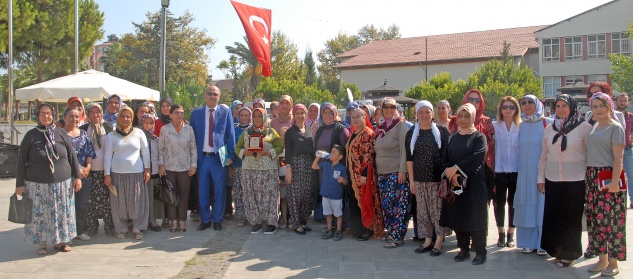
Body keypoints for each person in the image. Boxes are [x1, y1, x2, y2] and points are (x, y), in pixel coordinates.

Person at [16, 103, 81, 255]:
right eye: (43, 113)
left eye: (49, 113)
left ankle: (61, 242)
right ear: (37, 116)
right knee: (40, 216)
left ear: (53, 115)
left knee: (61, 214)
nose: (46, 116)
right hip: (37, 185)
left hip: (62, 184)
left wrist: (77, 176)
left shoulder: (60, 133)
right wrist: (19, 184)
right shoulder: (31, 135)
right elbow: (21, 161)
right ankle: (42, 244)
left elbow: (72, 156)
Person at [537, 94, 592, 265]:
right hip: (553, 179)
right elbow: (544, 156)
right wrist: (540, 178)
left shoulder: (584, 127)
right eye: (558, 106)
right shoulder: (550, 128)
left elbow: (590, 154)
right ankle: (557, 250)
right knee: (555, 217)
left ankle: (570, 254)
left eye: (564, 106)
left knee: (571, 219)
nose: (561, 109)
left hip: (575, 180)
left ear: (572, 107)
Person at [439, 103, 488, 265]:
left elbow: (477, 157)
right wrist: (451, 174)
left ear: (473, 117)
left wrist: (456, 169)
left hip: (474, 183)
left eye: (467, 116)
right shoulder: (452, 137)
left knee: (476, 216)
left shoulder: (478, 137)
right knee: (459, 215)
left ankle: (480, 251)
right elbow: (444, 159)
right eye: (460, 116)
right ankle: (463, 249)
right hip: (456, 184)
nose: (463, 119)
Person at [584, 92, 626, 276]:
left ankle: (613, 263)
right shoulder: (593, 127)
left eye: (602, 105)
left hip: (608, 176)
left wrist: (615, 182)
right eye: (594, 106)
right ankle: (601, 260)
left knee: (612, 221)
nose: (598, 109)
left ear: (609, 106)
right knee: (595, 220)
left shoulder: (615, 128)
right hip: (592, 176)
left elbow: (619, 157)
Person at [406, 101, 451, 256]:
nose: (424, 115)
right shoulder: (412, 133)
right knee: (423, 212)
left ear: (432, 114)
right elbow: (409, 159)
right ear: (416, 115)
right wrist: (411, 181)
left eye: (427, 112)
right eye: (421, 112)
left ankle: (439, 241)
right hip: (419, 179)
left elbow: (448, 155)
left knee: (437, 211)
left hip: (437, 180)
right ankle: (427, 240)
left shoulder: (442, 132)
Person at [189, 85, 235, 231]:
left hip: (218, 159)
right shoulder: (195, 114)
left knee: (220, 190)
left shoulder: (226, 112)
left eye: (215, 94)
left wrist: (231, 155)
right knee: (203, 191)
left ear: (219, 97)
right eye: (209, 93)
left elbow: (231, 135)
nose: (212, 96)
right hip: (202, 159)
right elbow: (191, 138)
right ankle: (205, 219)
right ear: (205, 95)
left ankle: (217, 219)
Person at [103, 106, 150, 240]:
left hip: (137, 173)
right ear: (119, 118)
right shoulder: (111, 135)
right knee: (119, 202)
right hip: (117, 174)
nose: (125, 119)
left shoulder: (139, 133)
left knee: (137, 201)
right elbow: (107, 156)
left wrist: (147, 169)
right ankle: (121, 228)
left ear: (132, 118)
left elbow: (145, 153)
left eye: (128, 116)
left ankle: (137, 227)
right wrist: (107, 174)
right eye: (122, 116)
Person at [235, 108, 284, 235]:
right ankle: (255, 222)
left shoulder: (271, 132)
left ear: (264, 117)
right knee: (252, 196)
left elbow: (279, 147)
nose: (257, 119)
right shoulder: (246, 132)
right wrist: (244, 152)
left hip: (268, 170)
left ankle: (270, 222)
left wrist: (268, 152)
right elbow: (237, 148)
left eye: (259, 116)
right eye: (255, 116)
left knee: (269, 196)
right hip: (250, 170)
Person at [515, 95, 553, 255]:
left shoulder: (548, 123)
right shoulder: (520, 126)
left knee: (542, 207)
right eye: (523, 103)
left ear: (537, 104)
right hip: (524, 174)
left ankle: (543, 242)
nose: (527, 105)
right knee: (526, 207)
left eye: (530, 102)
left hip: (541, 173)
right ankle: (528, 242)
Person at [448, 89, 495, 207]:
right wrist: (455, 170)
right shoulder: (455, 120)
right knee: (460, 203)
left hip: (481, 169)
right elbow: (452, 145)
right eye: (471, 99)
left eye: (477, 100)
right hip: (458, 170)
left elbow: (492, 145)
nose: (474, 102)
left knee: (479, 206)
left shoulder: (486, 121)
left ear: (481, 103)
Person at [374, 97, 410, 248]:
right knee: (387, 205)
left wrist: (403, 170)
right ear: (381, 109)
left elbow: (405, 151)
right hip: (382, 173)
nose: (389, 110)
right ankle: (392, 231)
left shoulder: (401, 125)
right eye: (386, 107)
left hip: (396, 172)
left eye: (392, 107)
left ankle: (398, 236)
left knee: (398, 205)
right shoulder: (380, 127)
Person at [345, 108, 383, 240]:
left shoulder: (368, 133)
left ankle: (367, 230)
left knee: (365, 201)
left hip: (363, 175)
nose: (355, 119)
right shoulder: (354, 132)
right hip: (352, 174)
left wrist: (364, 174)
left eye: (358, 117)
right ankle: (357, 229)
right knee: (355, 202)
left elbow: (368, 155)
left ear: (364, 118)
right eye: (353, 117)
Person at [159, 105, 197, 233]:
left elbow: (193, 148)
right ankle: (173, 221)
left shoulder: (189, 129)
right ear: (170, 115)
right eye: (176, 113)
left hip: (185, 168)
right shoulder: (165, 130)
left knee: (183, 196)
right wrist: (161, 165)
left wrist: (193, 165)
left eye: (182, 112)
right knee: (171, 196)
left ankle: (182, 221)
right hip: (169, 167)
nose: (180, 115)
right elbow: (161, 149)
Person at [81, 103, 115, 237]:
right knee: (90, 200)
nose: (95, 115)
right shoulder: (83, 129)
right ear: (88, 114)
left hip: (105, 170)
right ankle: (92, 225)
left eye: (98, 112)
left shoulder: (108, 127)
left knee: (107, 199)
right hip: (89, 170)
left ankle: (108, 224)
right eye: (92, 112)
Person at [492, 96, 521, 247]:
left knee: (513, 203)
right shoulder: (495, 126)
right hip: (500, 170)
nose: (508, 110)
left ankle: (511, 233)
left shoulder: (521, 127)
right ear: (501, 109)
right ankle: (501, 234)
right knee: (499, 202)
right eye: (505, 107)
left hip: (516, 170)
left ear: (516, 109)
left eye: (511, 107)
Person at [64, 107, 96, 241]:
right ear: (64, 118)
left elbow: (90, 152)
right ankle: (66, 233)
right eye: (71, 116)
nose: (74, 119)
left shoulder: (83, 133)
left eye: (77, 116)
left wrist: (88, 167)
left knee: (81, 205)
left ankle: (79, 230)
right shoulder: (59, 134)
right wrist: (76, 168)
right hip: (66, 174)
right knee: (66, 205)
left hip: (84, 174)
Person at [314, 103, 350, 222]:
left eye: (330, 112)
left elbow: (345, 152)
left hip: (336, 170)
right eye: (325, 112)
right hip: (323, 169)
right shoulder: (320, 129)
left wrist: (341, 170)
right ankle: (328, 222)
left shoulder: (342, 129)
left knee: (336, 195)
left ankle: (338, 224)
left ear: (335, 114)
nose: (328, 115)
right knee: (325, 194)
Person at [285, 104, 316, 235]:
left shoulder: (309, 130)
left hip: (308, 165)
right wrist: (288, 168)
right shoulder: (290, 132)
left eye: (302, 113)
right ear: (294, 115)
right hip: (295, 165)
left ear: (306, 114)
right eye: (297, 113)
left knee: (306, 196)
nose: (300, 116)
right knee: (295, 196)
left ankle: (303, 222)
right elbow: (288, 152)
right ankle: (296, 224)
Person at [312, 145, 349, 241]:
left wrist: (343, 180)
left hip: (336, 196)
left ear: (340, 157)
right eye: (331, 152)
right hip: (325, 194)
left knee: (338, 213)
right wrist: (319, 156)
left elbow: (346, 181)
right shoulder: (326, 164)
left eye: (334, 152)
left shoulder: (341, 168)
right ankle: (329, 229)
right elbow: (314, 166)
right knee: (328, 213)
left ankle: (338, 230)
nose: (331, 154)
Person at [140, 113, 164, 232]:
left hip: (154, 172)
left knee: (153, 199)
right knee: (144, 198)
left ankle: (153, 221)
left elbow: (159, 154)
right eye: (146, 122)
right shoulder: (138, 137)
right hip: (141, 173)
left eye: (151, 123)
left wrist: (161, 166)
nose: (149, 125)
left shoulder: (155, 139)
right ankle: (143, 221)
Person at [231, 107, 252, 226]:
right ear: (238, 117)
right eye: (242, 115)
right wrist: (231, 166)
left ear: (250, 117)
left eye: (246, 115)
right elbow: (231, 148)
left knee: (249, 191)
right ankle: (241, 216)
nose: (244, 118)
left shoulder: (254, 130)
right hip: (238, 165)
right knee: (239, 192)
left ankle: (251, 215)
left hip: (251, 166)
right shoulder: (234, 130)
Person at [615, 93, 633, 209]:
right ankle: (615, 199)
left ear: (628, 102)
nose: (622, 102)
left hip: (627, 150)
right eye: (620, 100)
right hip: (614, 151)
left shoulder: (630, 116)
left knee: (631, 176)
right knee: (615, 175)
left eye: (624, 101)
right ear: (616, 101)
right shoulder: (612, 115)